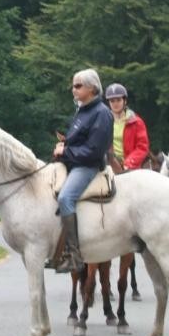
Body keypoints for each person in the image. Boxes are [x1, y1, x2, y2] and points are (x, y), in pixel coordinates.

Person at [50, 69, 113, 273]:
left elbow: (93, 151)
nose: (73, 89)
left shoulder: (102, 113)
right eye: (73, 86)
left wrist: (65, 151)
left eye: (78, 86)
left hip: (87, 166)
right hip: (73, 162)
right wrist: (63, 149)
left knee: (65, 198)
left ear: (92, 89)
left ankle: (75, 256)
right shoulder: (83, 110)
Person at [104, 83, 150, 171]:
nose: (115, 103)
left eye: (118, 100)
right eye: (112, 101)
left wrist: (128, 163)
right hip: (108, 165)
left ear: (125, 101)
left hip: (129, 167)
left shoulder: (137, 122)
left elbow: (142, 147)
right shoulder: (102, 122)